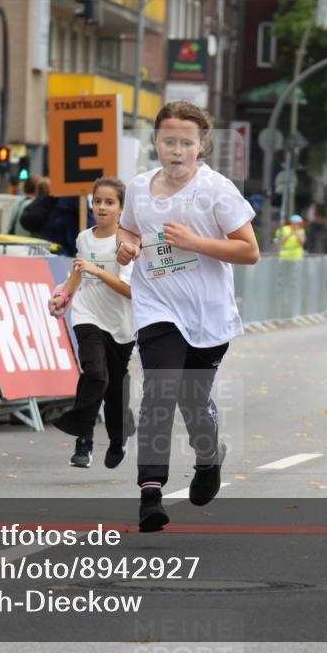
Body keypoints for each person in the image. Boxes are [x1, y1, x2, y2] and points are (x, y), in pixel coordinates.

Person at [115, 101, 260, 532]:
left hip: (208, 314)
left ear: (202, 146)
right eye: (168, 141)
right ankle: (150, 494)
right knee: (159, 393)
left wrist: (196, 242)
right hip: (157, 306)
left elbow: (249, 250)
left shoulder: (217, 189)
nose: (176, 150)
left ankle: (209, 455)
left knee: (191, 399)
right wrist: (127, 246)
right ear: (155, 142)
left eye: (186, 143)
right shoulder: (139, 187)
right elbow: (128, 229)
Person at [47, 177, 135, 469]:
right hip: (88, 314)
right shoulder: (85, 238)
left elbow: (130, 290)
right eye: (97, 201)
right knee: (95, 373)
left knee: (114, 389)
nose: (101, 207)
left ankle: (117, 438)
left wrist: (95, 269)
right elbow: (78, 272)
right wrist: (63, 296)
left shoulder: (127, 243)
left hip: (122, 324)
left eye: (109, 202)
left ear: (122, 208)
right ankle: (82, 439)